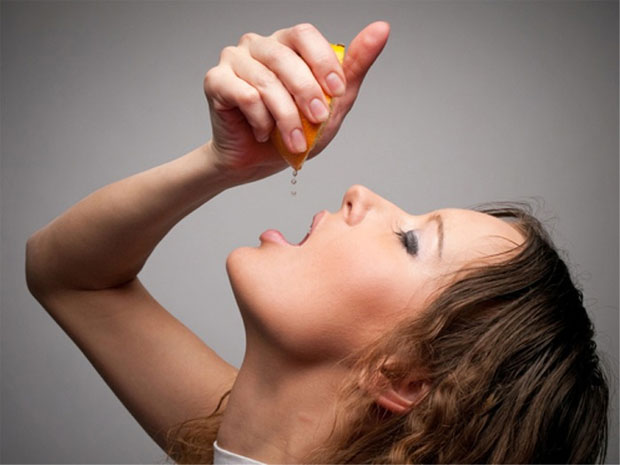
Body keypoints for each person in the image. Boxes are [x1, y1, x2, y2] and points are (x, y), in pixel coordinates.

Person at [25, 21, 608, 464]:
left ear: (402, 376)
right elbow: (71, 276)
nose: (361, 192)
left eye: (410, 240)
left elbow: (74, 281)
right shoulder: (237, 439)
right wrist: (222, 163)